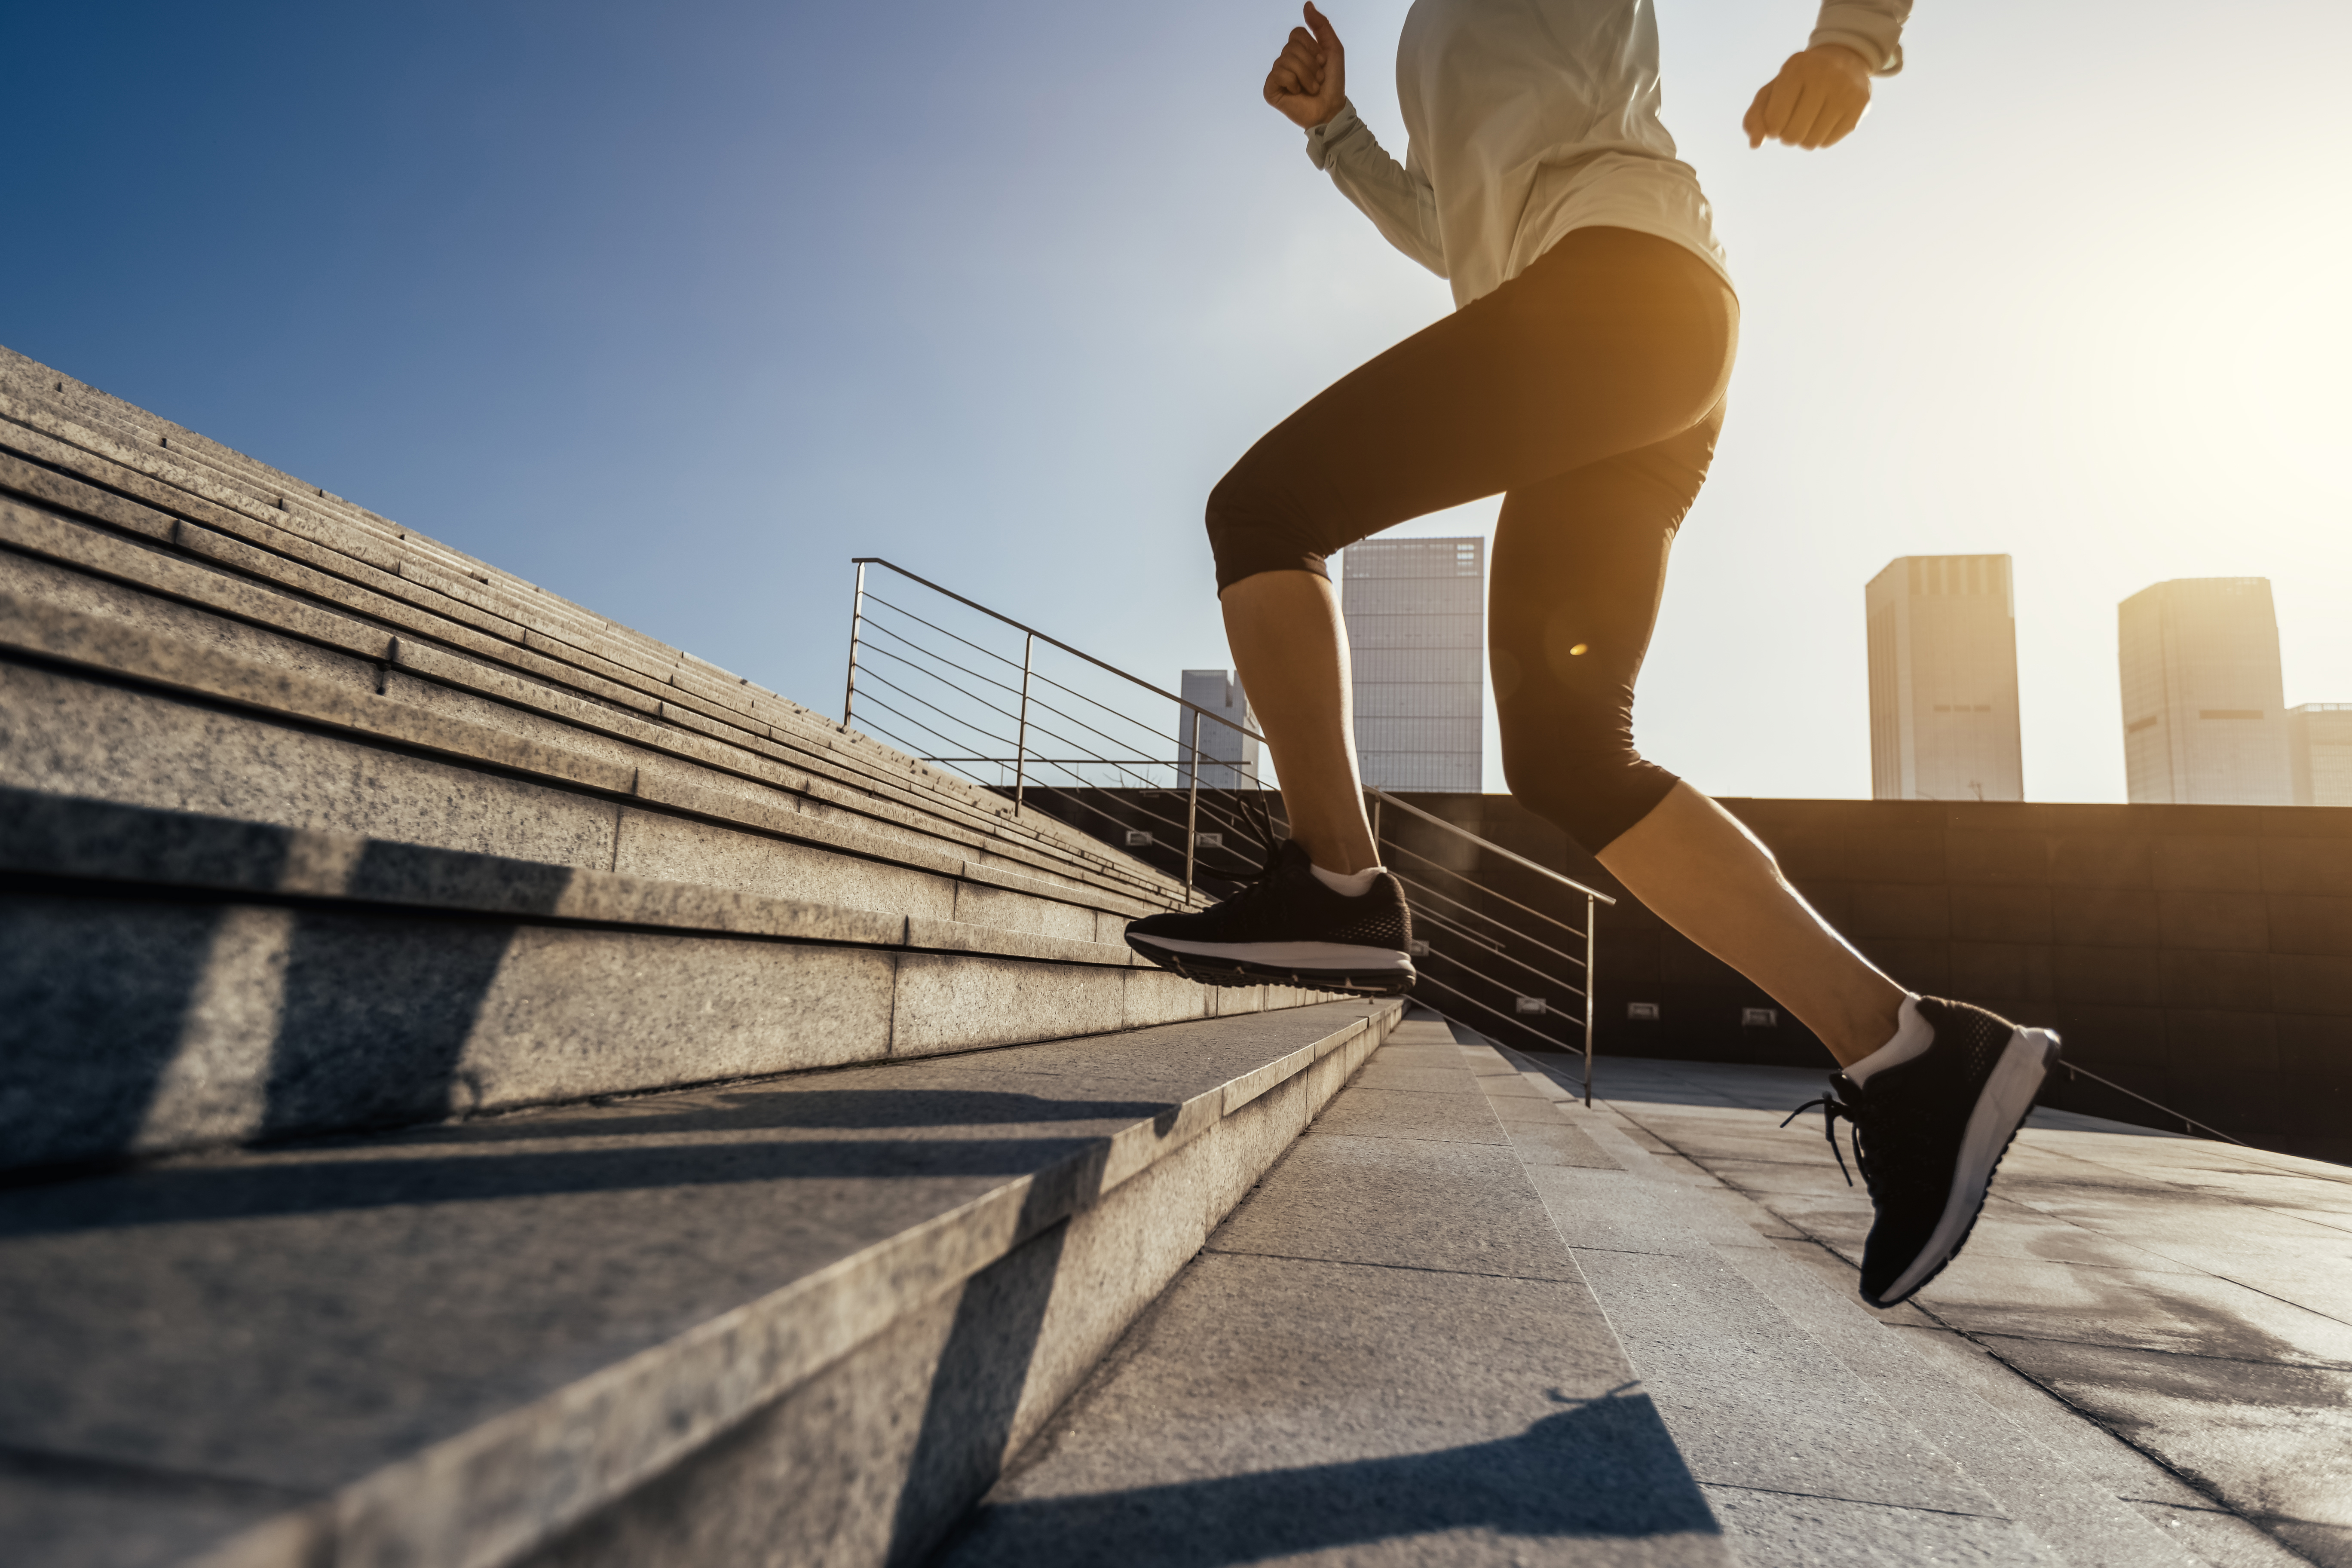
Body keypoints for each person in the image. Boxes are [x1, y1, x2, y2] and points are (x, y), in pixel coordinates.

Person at [1123, 0, 2061, 1309]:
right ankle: (1910, 1050)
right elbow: (1459, 230)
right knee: (1567, 752)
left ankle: (1338, 885)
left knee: (1265, 511)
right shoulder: (1429, 38)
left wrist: (1851, 41)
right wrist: (1335, 131)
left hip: (1623, 293)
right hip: (1627, 333)